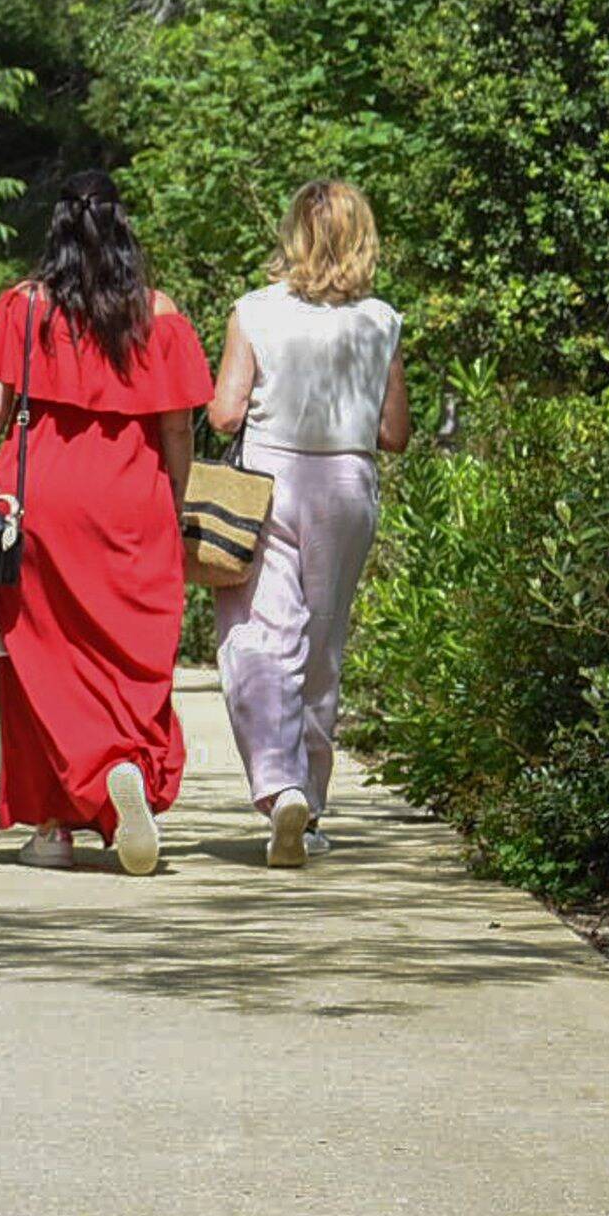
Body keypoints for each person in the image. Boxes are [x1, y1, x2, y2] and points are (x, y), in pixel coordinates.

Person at [0, 172, 212, 873]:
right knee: (132, 652)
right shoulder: (160, 315)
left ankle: (52, 828)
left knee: (43, 662)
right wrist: (176, 505)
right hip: (132, 500)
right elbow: (178, 428)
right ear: (123, 227)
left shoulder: (24, 306)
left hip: (42, 501)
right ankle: (125, 763)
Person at [208, 178, 411, 867]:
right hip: (346, 486)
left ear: (294, 233)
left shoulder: (255, 311)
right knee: (322, 647)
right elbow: (395, 431)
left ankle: (277, 784)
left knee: (257, 638)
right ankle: (312, 807)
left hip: (267, 484)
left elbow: (227, 412)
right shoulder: (382, 321)